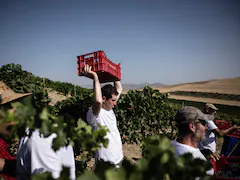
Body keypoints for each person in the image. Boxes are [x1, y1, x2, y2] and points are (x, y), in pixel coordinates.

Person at [83, 64, 124, 168]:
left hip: (118, 158)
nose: (115, 103)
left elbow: (119, 88)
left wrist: (114, 72)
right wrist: (95, 77)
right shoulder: (96, 114)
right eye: (113, 100)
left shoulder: (109, 108)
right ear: (104, 98)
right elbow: (97, 101)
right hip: (106, 162)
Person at [171, 106, 214, 176]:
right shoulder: (200, 166)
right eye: (203, 123)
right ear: (192, 127)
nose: (206, 127)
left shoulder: (168, 148)